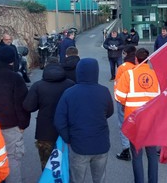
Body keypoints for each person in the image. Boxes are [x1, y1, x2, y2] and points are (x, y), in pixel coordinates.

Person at [55, 58, 114, 183]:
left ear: (79, 72)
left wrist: (68, 138)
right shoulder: (104, 91)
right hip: (101, 144)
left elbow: (59, 120)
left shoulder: (69, 93)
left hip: (78, 144)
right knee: (99, 179)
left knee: (77, 180)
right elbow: (109, 112)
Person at [0, 45, 30, 183]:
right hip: (11, 127)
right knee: (12, 161)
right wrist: (23, 125)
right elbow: (22, 105)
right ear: (13, 61)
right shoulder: (16, 79)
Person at [116, 48, 161, 183]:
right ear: (148, 60)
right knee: (152, 155)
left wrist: (128, 102)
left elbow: (119, 96)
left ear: (136, 59)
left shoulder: (128, 75)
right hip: (151, 121)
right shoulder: (155, 75)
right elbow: (160, 96)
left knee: (137, 155)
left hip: (134, 120)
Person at [23, 59, 75, 170]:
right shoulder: (70, 84)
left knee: (47, 165)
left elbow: (28, 107)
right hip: (67, 130)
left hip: (45, 131)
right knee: (66, 164)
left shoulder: (38, 86)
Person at [113, 45, 137, 161]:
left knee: (123, 124)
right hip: (137, 100)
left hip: (123, 100)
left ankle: (126, 150)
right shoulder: (139, 66)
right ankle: (137, 146)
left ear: (126, 54)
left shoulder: (122, 67)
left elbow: (117, 85)